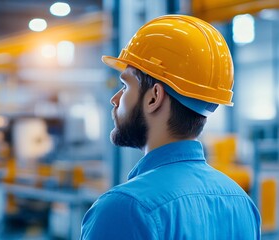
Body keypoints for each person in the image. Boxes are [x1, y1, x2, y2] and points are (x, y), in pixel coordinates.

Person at [80, 15, 261, 239]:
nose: (115, 99)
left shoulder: (126, 208)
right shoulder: (241, 203)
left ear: (154, 97)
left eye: (125, 85)